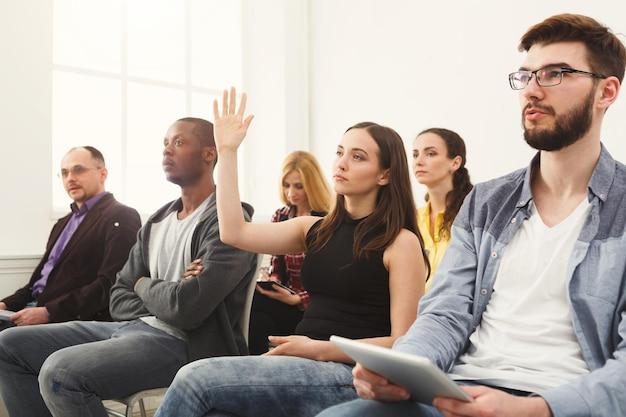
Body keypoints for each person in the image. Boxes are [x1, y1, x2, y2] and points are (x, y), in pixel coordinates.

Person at [317, 13, 626, 417]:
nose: (532, 91)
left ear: (606, 92)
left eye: (555, 74)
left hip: (562, 402)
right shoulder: (486, 201)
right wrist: (404, 368)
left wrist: (533, 409)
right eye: (526, 76)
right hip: (459, 391)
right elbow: (445, 312)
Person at [152, 88, 428, 417]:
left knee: (194, 378)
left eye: (358, 156)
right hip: (302, 359)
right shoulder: (314, 229)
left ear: (385, 174)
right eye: (340, 152)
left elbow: (403, 343)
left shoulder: (400, 242)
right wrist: (227, 151)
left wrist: (319, 350)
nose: (341, 163)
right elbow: (234, 231)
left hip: (350, 373)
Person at [0, 117, 257, 417]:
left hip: (185, 344)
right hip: (130, 328)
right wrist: (166, 294)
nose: (166, 152)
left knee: (60, 374)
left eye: (178, 142)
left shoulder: (231, 222)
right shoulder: (158, 221)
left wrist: (142, 284)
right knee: (8, 345)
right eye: (164, 144)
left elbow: (188, 309)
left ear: (209, 154)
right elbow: (118, 296)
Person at [0, 146, 140, 331]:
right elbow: (38, 284)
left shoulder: (121, 216)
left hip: (66, 319)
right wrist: (6, 304)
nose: (70, 178)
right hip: (31, 311)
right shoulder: (62, 223)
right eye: (64, 173)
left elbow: (110, 284)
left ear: (103, 174)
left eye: (79, 170)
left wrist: (49, 312)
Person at [249, 150, 331, 354]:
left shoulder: (327, 221)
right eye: (286, 185)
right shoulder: (281, 216)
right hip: (286, 297)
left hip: (313, 306)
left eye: (298, 186)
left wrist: (299, 299)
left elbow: (331, 281)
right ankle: (255, 368)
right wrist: (273, 283)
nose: (291, 192)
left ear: (312, 186)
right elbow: (276, 263)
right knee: (254, 309)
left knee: (257, 314)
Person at [412, 128, 472, 290]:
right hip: (414, 312)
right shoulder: (412, 219)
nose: (419, 161)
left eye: (430, 154)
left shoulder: (472, 216)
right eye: (415, 154)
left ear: (455, 163)